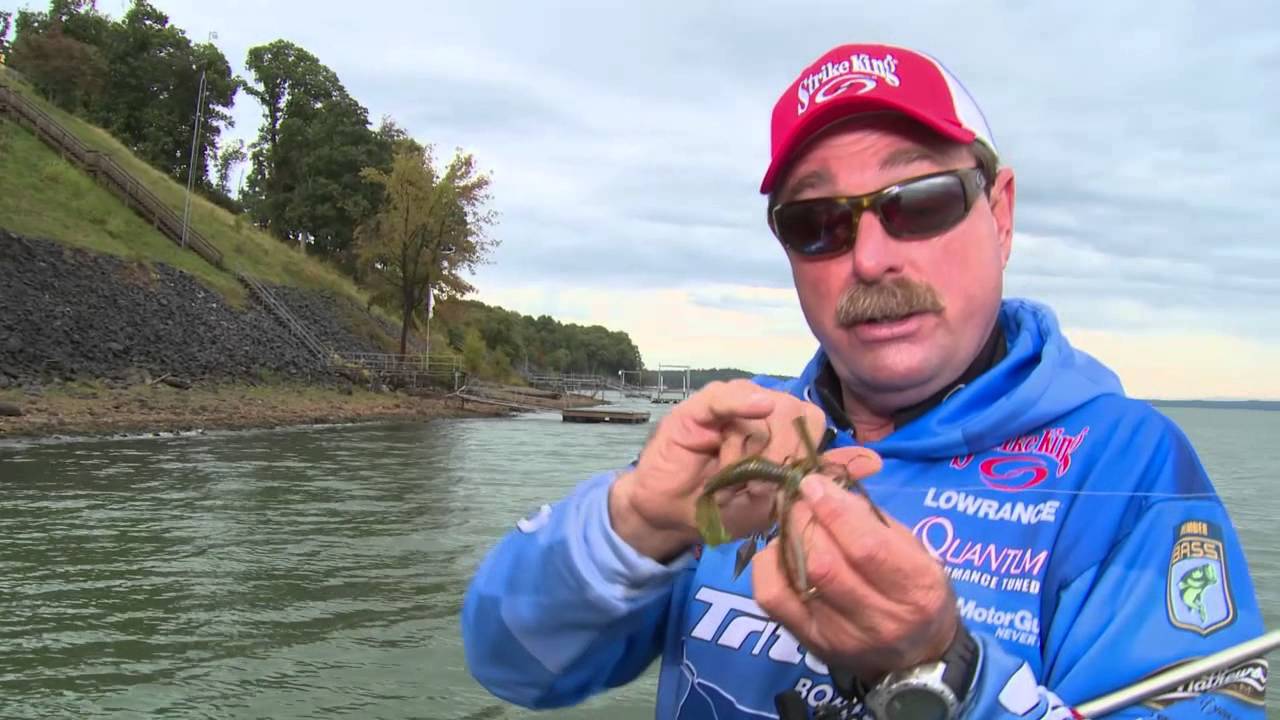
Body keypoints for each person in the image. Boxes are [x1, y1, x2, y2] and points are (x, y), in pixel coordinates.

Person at [460, 42, 1268, 719]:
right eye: (818, 223)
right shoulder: (746, 432)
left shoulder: (1133, 468)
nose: (871, 256)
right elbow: (510, 663)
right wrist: (635, 524)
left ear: (1003, 212)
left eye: (919, 201)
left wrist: (939, 671)